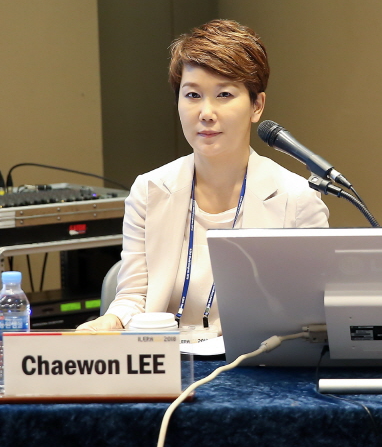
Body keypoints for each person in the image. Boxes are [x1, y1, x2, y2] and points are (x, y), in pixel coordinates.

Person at [78, 20, 329, 334]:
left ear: (257, 106)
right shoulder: (149, 190)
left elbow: (312, 314)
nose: (206, 113)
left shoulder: (297, 199)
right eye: (193, 95)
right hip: (163, 356)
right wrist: (111, 321)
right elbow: (133, 296)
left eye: (224, 94)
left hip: (253, 357)